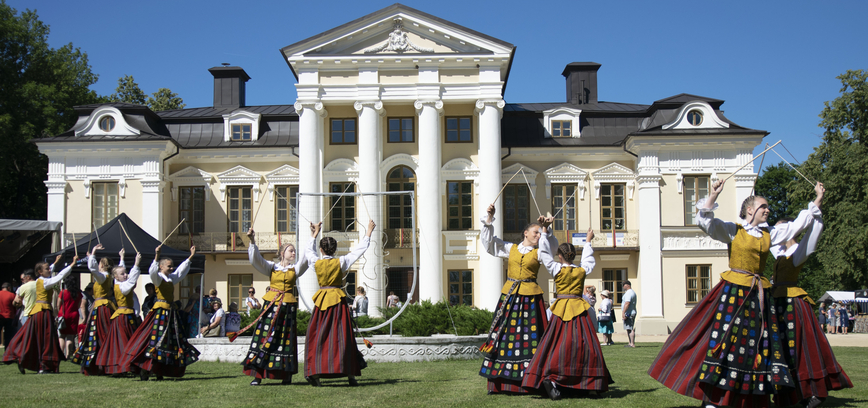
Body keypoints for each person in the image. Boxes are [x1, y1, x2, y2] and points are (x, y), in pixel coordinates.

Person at [649, 180, 825, 408]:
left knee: (755, 348)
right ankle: (712, 400)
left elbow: (798, 224)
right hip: (733, 294)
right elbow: (706, 223)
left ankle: (747, 398)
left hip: (758, 299)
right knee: (724, 342)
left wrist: (817, 200)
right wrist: (712, 195)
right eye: (763, 206)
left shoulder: (770, 233)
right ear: (750, 210)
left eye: (768, 206)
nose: (768, 210)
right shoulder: (735, 230)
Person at [521, 227, 612, 400]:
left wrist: (545, 234)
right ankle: (590, 383)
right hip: (579, 310)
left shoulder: (556, 268)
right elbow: (588, 260)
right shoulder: (582, 270)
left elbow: (545, 254)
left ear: (560, 256)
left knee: (556, 345)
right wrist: (588, 241)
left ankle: (552, 379)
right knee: (586, 346)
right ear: (573, 256)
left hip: (561, 309)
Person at [771, 213, 852, 407]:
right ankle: (792, 393)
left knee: (801, 347)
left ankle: (813, 392)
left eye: (780, 229)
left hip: (794, 305)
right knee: (784, 349)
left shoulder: (798, 251)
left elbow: (813, 235)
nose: (776, 233)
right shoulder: (779, 251)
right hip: (780, 303)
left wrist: (816, 210)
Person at [478, 203, 556, 394]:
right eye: (535, 232)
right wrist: (489, 219)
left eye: (539, 233)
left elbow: (551, 249)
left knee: (531, 339)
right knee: (504, 336)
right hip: (510, 297)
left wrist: (547, 229)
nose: (538, 236)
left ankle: (533, 381)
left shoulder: (540, 252)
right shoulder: (510, 248)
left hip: (530, 299)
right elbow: (489, 245)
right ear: (525, 233)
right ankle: (500, 382)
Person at [304, 220, 375, 387]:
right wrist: (368, 233)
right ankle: (350, 375)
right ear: (335, 250)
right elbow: (358, 251)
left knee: (317, 337)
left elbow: (308, 251)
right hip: (337, 302)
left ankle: (315, 374)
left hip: (322, 303)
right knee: (343, 337)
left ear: (321, 250)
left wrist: (313, 235)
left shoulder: (317, 262)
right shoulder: (341, 261)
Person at [120, 245, 200, 381]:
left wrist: (190, 257)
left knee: (169, 342)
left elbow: (180, 272)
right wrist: (156, 256)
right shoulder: (158, 278)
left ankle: (159, 370)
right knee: (155, 340)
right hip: (160, 314)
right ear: (161, 267)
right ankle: (146, 368)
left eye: (171, 266)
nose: (171, 268)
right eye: (169, 266)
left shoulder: (170, 278)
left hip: (170, 314)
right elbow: (152, 272)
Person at [242, 227, 309, 386]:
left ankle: (286, 376)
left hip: (287, 310)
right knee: (264, 338)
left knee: (285, 341)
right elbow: (256, 259)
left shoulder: (295, 269)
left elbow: (306, 258)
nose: (293, 253)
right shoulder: (271, 267)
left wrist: (313, 235)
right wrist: (252, 240)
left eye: (294, 251)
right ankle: (257, 376)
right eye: (290, 251)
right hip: (271, 307)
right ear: (282, 253)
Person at [3, 255, 76, 373]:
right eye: (46, 269)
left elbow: (50, 271)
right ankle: (43, 365)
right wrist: (72, 264)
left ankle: (23, 357)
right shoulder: (45, 282)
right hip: (43, 312)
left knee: (31, 336)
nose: (49, 270)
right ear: (40, 271)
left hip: (37, 311)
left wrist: (56, 263)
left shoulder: (40, 279)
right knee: (45, 338)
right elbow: (59, 277)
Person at [71, 244, 120, 375]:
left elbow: (92, 268)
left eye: (100, 263)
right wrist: (91, 256)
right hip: (103, 307)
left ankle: (103, 365)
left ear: (103, 265)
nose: (98, 264)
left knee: (99, 334)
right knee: (100, 334)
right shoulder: (105, 276)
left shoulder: (103, 276)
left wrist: (93, 253)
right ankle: (103, 364)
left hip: (102, 308)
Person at [95, 252, 143, 375]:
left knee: (125, 340)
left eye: (125, 273)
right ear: (116, 277)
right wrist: (136, 264)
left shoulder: (118, 282)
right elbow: (131, 281)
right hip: (123, 317)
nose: (125, 275)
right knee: (124, 341)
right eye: (123, 274)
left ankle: (127, 365)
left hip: (126, 316)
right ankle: (124, 365)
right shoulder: (121, 286)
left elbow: (121, 272)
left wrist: (122, 258)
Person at [57, 273, 82, 358]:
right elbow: (79, 305)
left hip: (63, 315)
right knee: (70, 336)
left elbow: (58, 304)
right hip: (74, 314)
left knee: (62, 336)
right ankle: (68, 354)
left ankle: (61, 354)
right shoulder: (78, 294)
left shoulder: (63, 292)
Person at [0, 282, 17, 348]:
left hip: (0, 316)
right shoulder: (12, 295)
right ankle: (7, 351)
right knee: (8, 335)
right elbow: (15, 306)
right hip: (9, 316)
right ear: (9, 288)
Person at [621, 280, 637, 348]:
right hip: (630, 312)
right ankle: (630, 343)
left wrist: (624, 312)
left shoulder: (629, 293)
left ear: (627, 285)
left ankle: (632, 344)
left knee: (630, 328)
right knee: (628, 328)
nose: (623, 286)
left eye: (624, 285)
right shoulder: (631, 292)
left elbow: (627, 303)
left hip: (629, 313)